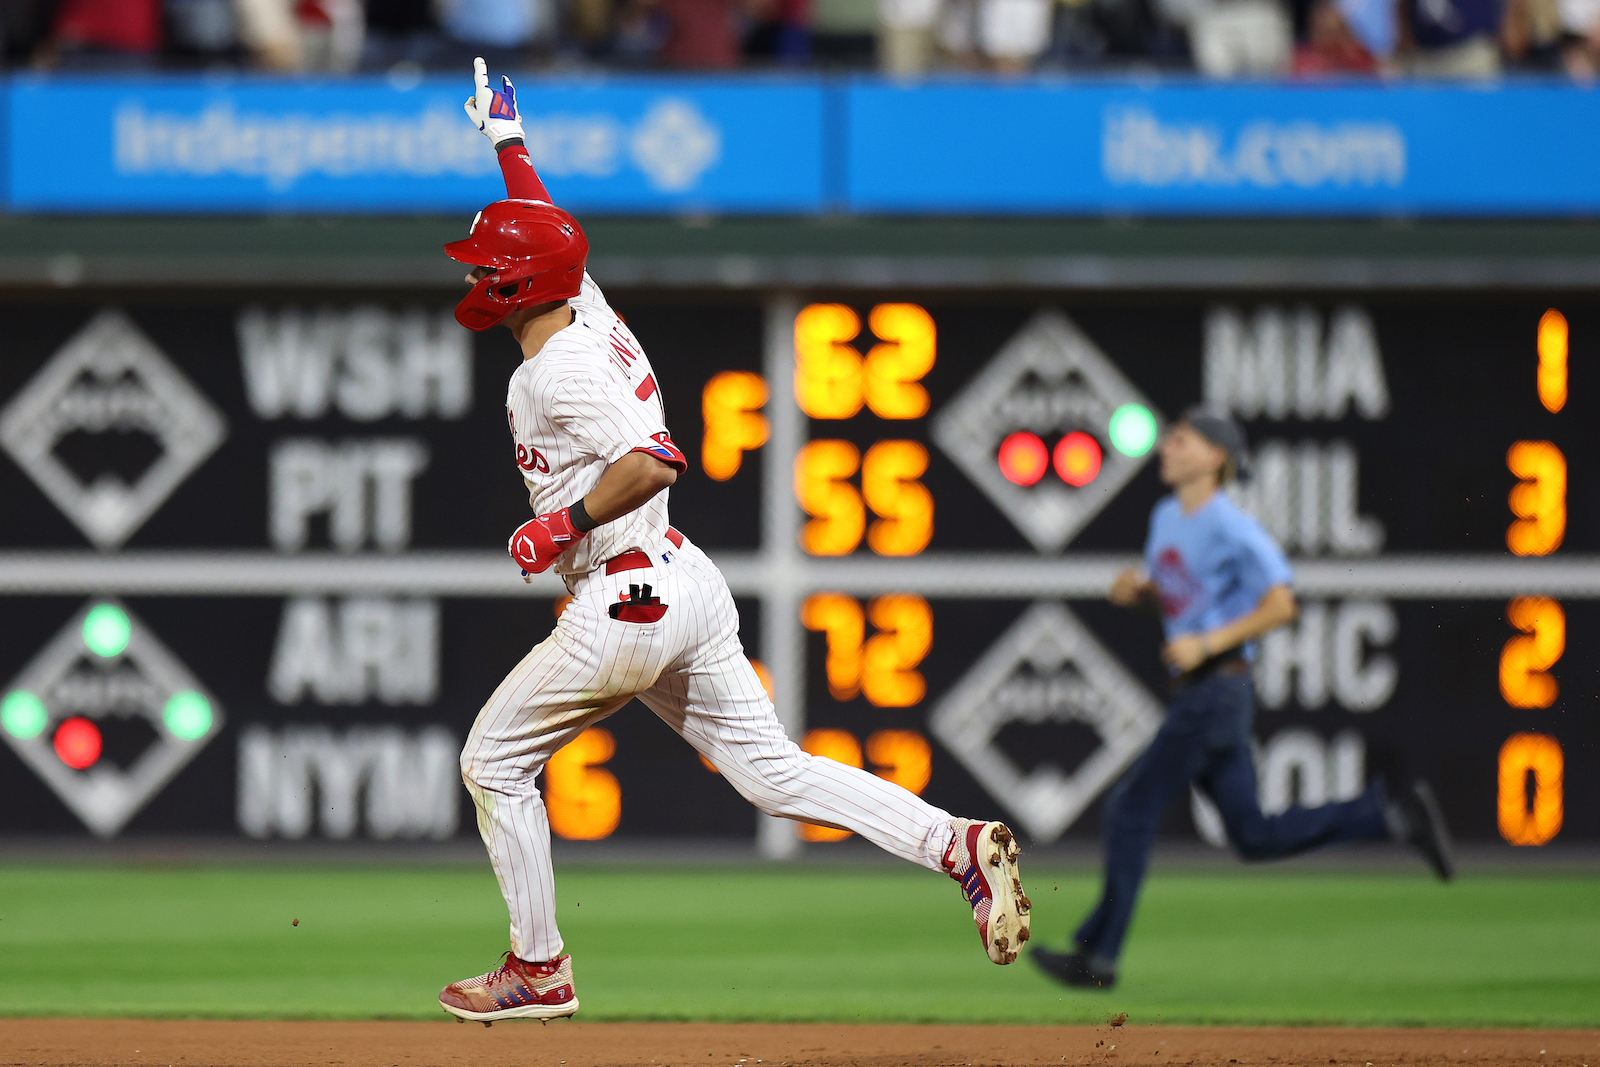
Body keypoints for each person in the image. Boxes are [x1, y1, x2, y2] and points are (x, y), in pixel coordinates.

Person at [435, 59, 1032, 1023]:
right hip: (685, 582)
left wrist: (560, 523)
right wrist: (506, 138)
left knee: (493, 762)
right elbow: (550, 234)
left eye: (483, 263)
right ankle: (955, 845)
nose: (474, 270)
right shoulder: (582, 304)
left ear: (514, 284)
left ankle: (538, 967)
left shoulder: (556, 375)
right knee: (774, 771)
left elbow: (659, 459)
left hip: (622, 602)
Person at [1030, 409, 1453, 992]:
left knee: (1130, 809)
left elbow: (1282, 603)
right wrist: (1141, 596)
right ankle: (1391, 815)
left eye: (1181, 441)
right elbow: (1178, 603)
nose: (1167, 448)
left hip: (1216, 689)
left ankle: (1098, 959)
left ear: (1214, 458)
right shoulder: (1166, 517)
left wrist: (1210, 641)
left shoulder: (1232, 526)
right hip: (1208, 693)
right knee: (1252, 835)